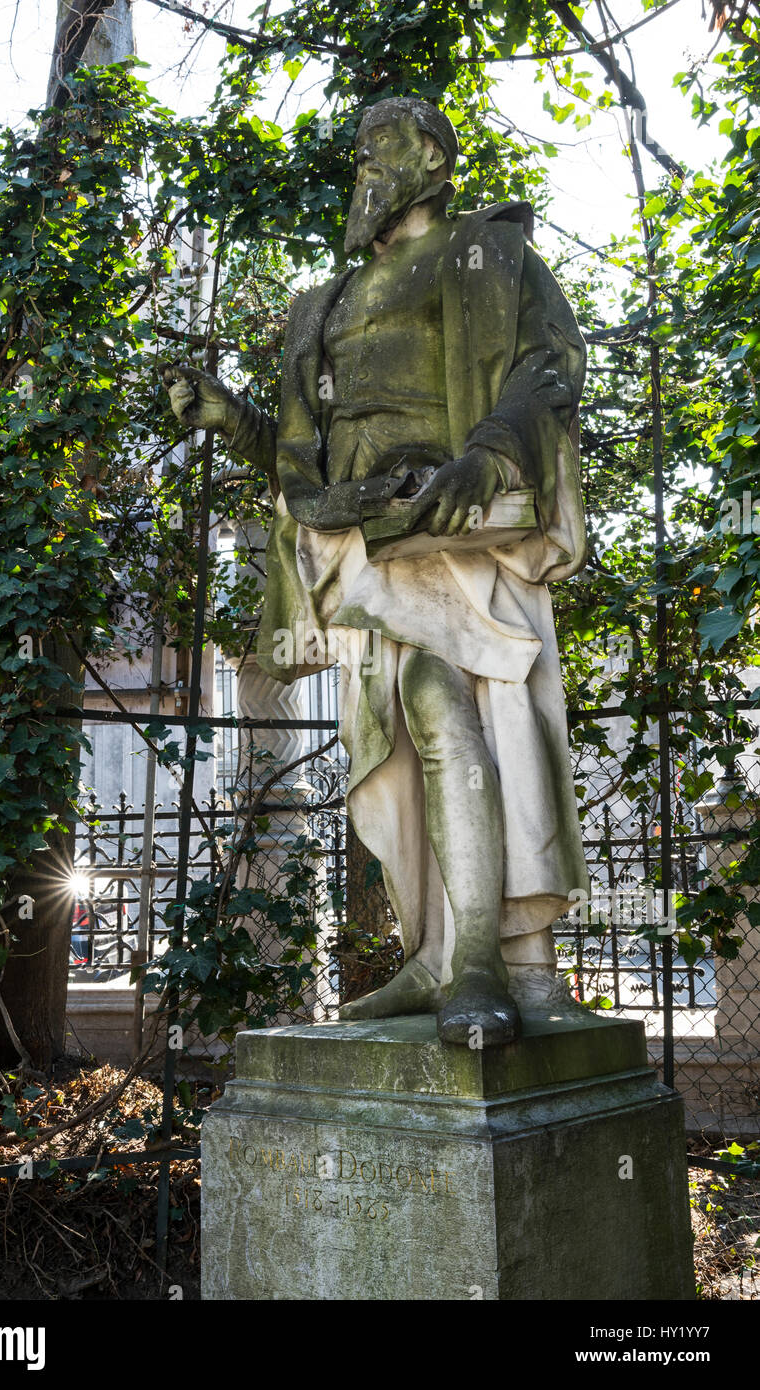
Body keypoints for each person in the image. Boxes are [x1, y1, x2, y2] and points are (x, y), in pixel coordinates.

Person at [166, 97, 589, 1046]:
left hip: (459, 528)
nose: (362, 162)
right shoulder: (326, 304)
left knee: (446, 709)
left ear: (432, 152)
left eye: (379, 144)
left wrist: (486, 452)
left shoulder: (488, 254)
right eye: (356, 149)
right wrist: (231, 419)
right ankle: (440, 956)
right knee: (395, 756)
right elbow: (302, 457)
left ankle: (487, 964)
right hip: (360, 543)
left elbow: (551, 365)